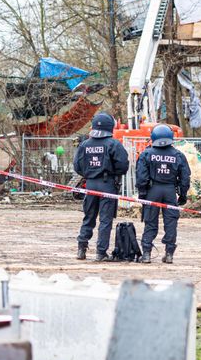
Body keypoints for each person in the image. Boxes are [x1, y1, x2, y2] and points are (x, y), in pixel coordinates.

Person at [73, 112, 130, 262]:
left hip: (90, 184)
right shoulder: (114, 144)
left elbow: (77, 166)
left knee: (88, 217)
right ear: (110, 127)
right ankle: (101, 252)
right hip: (107, 185)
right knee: (105, 220)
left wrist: (89, 173)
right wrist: (112, 174)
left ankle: (81, 248)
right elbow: (123, 165)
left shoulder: (84, 144)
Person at [135, 124, 191, 264]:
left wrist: (142, 194)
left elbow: (141, 177)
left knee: (150, 222)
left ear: (153, 137)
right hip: (170, 191)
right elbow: (185, 178)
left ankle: (146, 253)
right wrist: (183, 195)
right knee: (171, 222)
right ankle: (169, 254)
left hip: (152, 191)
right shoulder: (178, 155)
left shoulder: (147, 154)